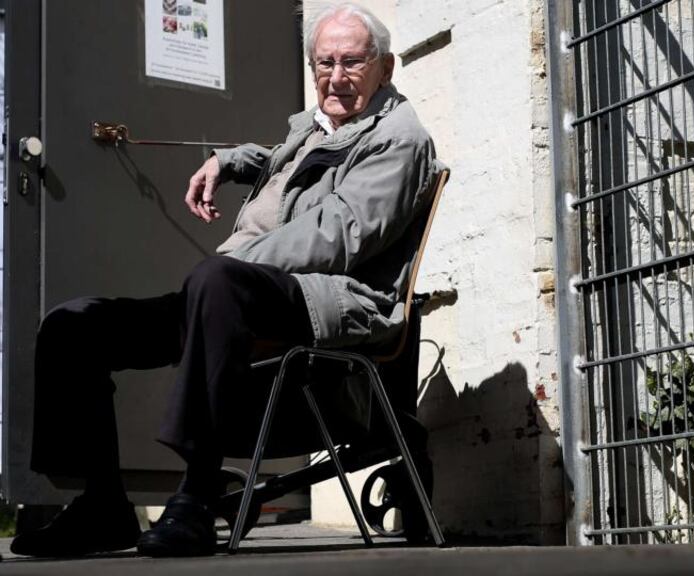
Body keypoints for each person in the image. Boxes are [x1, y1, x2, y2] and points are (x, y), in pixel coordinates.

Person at [11, 1, 437, 558]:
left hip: (335, 298)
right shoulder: (324, 125)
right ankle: (102, 504)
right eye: (324, 63)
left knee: (215, 283)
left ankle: (194, 495)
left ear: (386, 67)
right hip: (245, 288)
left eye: (352, 62)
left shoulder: (399, 138)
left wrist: (238, 263)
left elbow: (340, 236)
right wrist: (228, 160)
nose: (336, 77)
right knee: (74, 326)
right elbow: (291, 162)